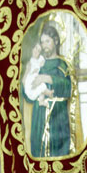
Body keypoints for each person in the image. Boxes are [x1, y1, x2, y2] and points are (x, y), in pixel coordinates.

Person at [25, 23, 72, 158]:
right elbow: (28, 94)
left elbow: (68, 88)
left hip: (57, 117)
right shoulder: (39, 63)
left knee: (58, 156)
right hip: (39, 117)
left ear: (55, 41)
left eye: (48, 41)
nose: (44, 45)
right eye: (42, 42)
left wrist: (46, 78)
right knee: (39, 154)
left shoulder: (62, 64)